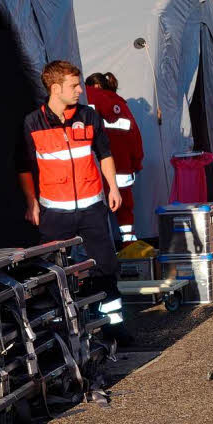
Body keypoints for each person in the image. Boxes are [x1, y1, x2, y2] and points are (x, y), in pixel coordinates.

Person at [18, 61, 129, 342]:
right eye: (74, 85)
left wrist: (113, 188)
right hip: (55, 213)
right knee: (51, 272)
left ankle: (114, 326)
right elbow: (23, 167)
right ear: (55, 89)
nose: (80, 90)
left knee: (105, 267)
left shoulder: (89, 116)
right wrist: (32, 202)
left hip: (92, 208)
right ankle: (58, 331)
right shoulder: (33, 122)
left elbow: (104, 153)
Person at [85, 73, 144, 243]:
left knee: (95, 212)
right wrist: (136, 163)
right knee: (124, 210)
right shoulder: (119, 105)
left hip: (93, 171)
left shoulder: (82, 100)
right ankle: (129, 246)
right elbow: (135, 138)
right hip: (123, 169)